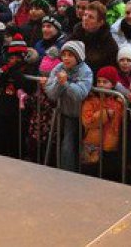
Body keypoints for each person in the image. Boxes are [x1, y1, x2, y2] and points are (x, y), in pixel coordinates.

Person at [44, 41, 93, 171]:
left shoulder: (86, 71)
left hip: (86, 117)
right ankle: (66, 175)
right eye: (64, 54)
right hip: (66, 114)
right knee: (66, 146)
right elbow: (51, 93)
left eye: (70, 55)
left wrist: (66, 83)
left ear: (78, 57)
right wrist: (59, 83)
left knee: (86, 150)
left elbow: (81, 93)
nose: (66, 58)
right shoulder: (59, 68)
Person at [81, 66, 125, 179]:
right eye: (99, 81)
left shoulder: (118, 101)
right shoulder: (91, 100)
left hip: (110, 145)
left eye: (105, 82)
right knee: (90, 173)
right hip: (92, 144)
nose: (101, 84)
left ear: (113, 84)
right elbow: (87, 120)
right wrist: (105, 114)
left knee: (108, 174)